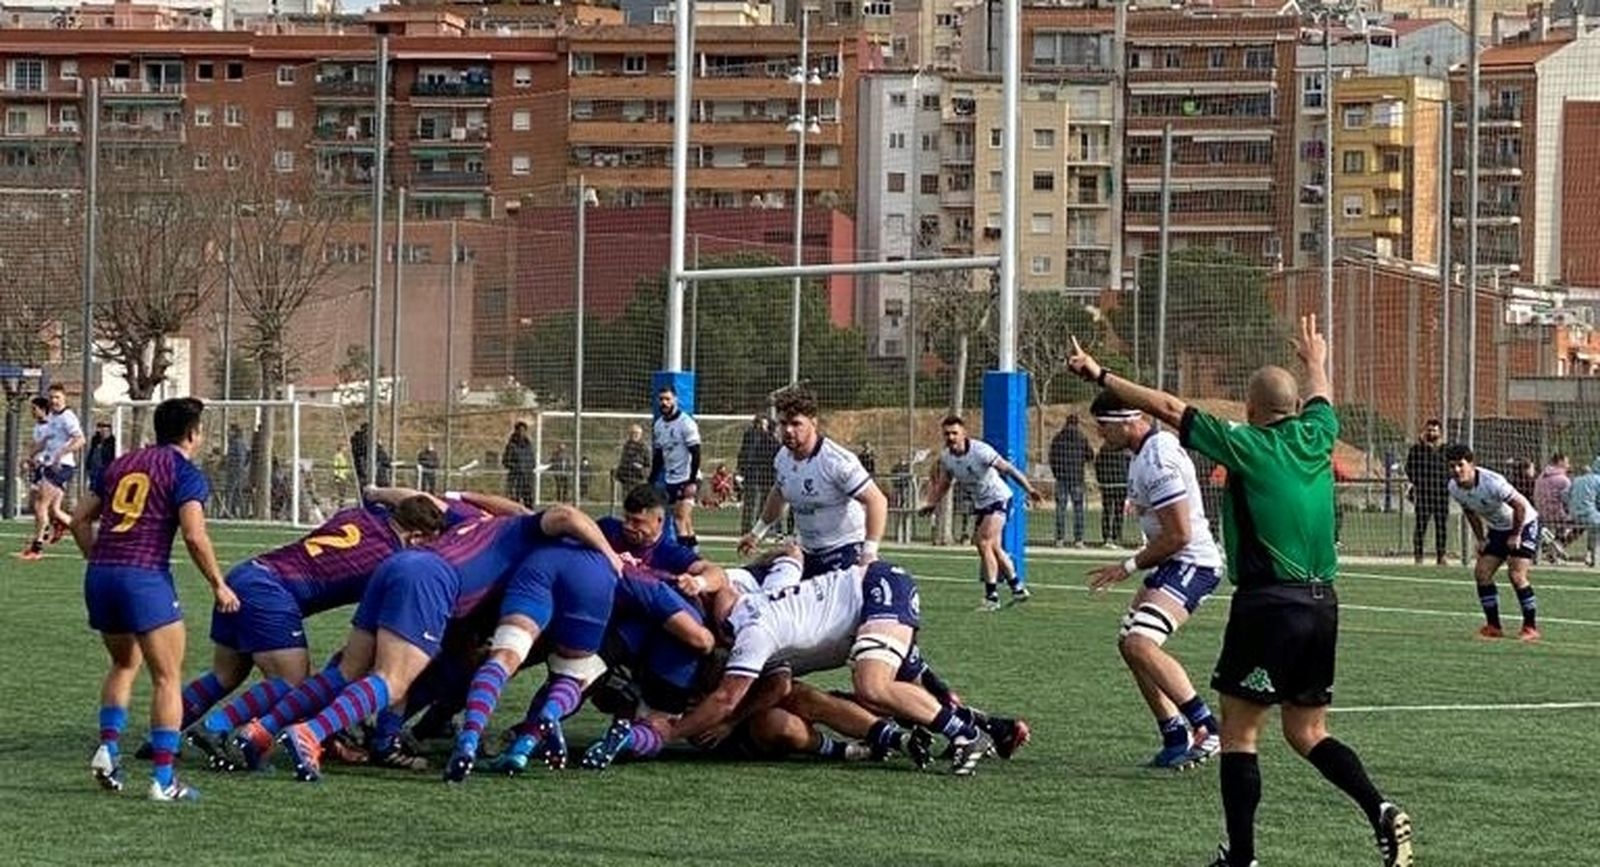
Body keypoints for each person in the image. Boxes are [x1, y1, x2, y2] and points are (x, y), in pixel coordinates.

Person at [1068, 317, 1413, 867]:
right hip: (1325, 603)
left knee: (1238, 731)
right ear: (1295, 409)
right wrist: (1315, 359)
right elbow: (1321, 395)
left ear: (1251, 410)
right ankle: (1380, 809)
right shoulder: (1317, 432)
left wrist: (1101, 374)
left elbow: (1169, 408)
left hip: (1269, 605)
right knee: (1307, 732)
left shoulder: (1247, 443)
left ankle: (1243, 859)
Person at [177, 492, 448, 769]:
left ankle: (163, 734)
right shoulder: (390, 561)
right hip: (272, 591)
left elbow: (381, 498)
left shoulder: (361, 515)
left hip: (246, 574)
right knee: (293, 681)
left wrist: (379, 492)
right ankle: (214, 727)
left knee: (225, 674)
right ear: (415, 537)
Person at [665, 555, 998, 776]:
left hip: (873, 589)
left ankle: (967, 734)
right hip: (867, 601)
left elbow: (726, 698)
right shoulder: (753, 601)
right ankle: (988, 727)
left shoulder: (751, 632)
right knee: (888, 693)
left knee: (872, 685)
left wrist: (671, 733)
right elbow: (778, 685)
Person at [70, 396, 240, 802]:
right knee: (166, 678)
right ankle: (163, 781)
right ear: (192, 433)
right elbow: (195, 535)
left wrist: (99, 559)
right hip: (144, 577)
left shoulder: (122, 463)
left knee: (124, 663)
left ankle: (108, 749)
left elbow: (78, 519)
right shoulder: (184, 472)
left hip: (101, 576)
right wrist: (219, 584)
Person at [1084, 391, 1224, 770]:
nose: (1100, 435)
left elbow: (1178, 534)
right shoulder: (1143, 455)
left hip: (1193, 562)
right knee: (1129, 645)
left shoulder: (1158, 457)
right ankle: (1174, 734)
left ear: (1126, 420)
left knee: (1141, 644)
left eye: (1103, 426)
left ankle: (1208, 727)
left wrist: (1127, 566)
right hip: (1173, 562)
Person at [739, 385, 889, 577]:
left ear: (813, 423)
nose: (788, 430)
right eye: (783, 423)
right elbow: (779, 492)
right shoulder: (783, 457)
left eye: (796, 423)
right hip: (808, 552)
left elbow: (877, 500)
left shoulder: (836, 461)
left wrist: (869, 553)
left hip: (844, 550)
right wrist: (756, 533)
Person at [918, 415, 1041, 611]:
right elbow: (944, 483)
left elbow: (1009, 470)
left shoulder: (981, 451)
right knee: (994, 548)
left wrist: (1029, 489)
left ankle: (991, 597)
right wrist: (932, 503)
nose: (950, 437)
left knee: (982, 542)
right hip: (981, 503)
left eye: (954, 433)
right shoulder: (947, 458)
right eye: (947, 434)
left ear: (964, 433)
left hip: (1000, 499)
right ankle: (1017, 587)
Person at [1446, 444, 1542, 642]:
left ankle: (1530, 627)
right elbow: (1470, 512)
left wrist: (1516, 535)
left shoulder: (1493, 482)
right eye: (1452, 466)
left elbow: (1520, 506)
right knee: (1482, 573)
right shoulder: (1454, 487)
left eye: (1460, 465)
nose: (1456, 470)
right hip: (1498, 528)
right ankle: (1493, 626)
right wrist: (1481, 539)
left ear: (1472, 464)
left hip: (1523, 523)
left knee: (1516, 575)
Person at [25, 385, 84, 558]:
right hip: (52, 465)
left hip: (61, 466)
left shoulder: (68, 417)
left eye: (57, 397)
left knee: (40, 505)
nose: (54, 400)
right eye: (51, 397)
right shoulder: (52, 417)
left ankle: (36, 548)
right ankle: (82, 532)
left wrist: (61, 454)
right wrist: (31, 455)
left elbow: (81, 439)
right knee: (54, 510)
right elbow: (45, 441)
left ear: (64, 398)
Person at [651, 385, 702, 548]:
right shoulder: (659, 425)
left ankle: (683, 561)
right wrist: (651, 479)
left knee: (679, 519)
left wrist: (692, 481)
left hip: (687, 477)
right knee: (685, 521)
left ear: (675, 400)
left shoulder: (686, 423)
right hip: (671, 478)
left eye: (667, 399)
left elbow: (696, 452)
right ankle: (694, 554)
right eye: (661, 399)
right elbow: (658, 456)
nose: (664, 403)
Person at [1404, 419, 1450, 565]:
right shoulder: (1417, 450)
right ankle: (1418, 557)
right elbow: (1409, 468)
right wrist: (1418, 482)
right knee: (1420, 526)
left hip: (1442, 494)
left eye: (1434, 430)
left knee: (1441, 526)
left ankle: (1441, 556)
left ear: (1440, 432)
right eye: (1429, 430)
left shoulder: (1446, 449)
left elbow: (1451, 469)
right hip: (1424, 494)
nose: (1431, 433)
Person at [1049, 415, 1094, 547]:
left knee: (1060, 509)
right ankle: (1079, 540)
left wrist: (1056, 473)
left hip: (1061, 477)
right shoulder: (1081, 438)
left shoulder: (1058, 438)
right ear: (1077, 424)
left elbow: (1052, 457)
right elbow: (1090, 455)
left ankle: (1059, 539)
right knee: (1078, 509)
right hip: (1077, 477)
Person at [737, 415, 779, 534]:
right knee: (754, 502)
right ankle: (752, 528)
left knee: (761, 503)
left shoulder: (765, 439)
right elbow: (745, 455)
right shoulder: (755, 437)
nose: (761, 427)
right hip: (756, 474)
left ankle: (757, 527)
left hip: (764, 475)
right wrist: (741, 470)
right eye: (761, 424)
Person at [1533, 452, 1575, 546]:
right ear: (1560, 462)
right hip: (1556, 515)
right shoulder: (1563, 480)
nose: (1568, 465)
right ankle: (1558, 546)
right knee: (1580, 521)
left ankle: (1551, 545)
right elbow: (1568, 500)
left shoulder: (1541, 476)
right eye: (1567, 462)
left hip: (1540, 512)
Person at [1094, 441, 1131, 547]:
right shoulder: (1123, 452)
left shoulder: (1102, 453)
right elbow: (1128, 467)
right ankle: (1117, 536)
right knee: (1118, 512)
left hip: (1107, 485)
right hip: (1121, 485)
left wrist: (1101, 481)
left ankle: (1106, 537)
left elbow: (1098, 467)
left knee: (1107, 511)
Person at [1567, 456, 1600, 567]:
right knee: (1596, 524)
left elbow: (1565, 494)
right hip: (1590, 515)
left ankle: (1590, 553)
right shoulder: (1598, 480)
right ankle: (1593, 553)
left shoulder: (1578, 479)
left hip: (1574, 515)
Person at [502, 421, 536, 508]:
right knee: (514, 502)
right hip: (516, 478)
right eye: (520, 430)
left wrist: (530, 467)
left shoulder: (528, 445)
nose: (522, 433)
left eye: (524, 430)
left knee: (529, 501)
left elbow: (532, 460)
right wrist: (517, 468)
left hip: (528, 478)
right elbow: (505, 461)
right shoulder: (511, 446)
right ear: (516, 431)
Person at [615, 424, 651, 500]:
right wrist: (619, 473)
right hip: (626, 480)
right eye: (632, 433)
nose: (634, 435)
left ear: (640, 435)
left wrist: (641, 469)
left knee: (637, 502)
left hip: (638, 481)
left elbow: (648, 466)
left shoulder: (644, 448)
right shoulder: (626, 446)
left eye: (636, 433)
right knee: (626, 501)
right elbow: (622, 461)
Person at [226, 424, 250, 518]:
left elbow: (242, 457)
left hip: (235, 471)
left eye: (231, 431)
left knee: (231, 491)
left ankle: (229, 512)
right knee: (237, 493)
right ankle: (238, 512)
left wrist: (239, 467)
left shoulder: (237, 443)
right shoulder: (237, 443)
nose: (229, 433)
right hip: (237, 471)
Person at [85, 420, 116, 495]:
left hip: (104, 466)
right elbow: (92, 451)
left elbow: (110, 454)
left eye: (105, 429)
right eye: (101, 428)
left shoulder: (111, 441)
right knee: (93, 483)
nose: (103, 431)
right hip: (94, 466)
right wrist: (88, 464)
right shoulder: (95, 439)